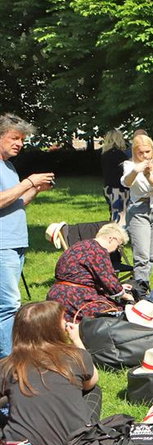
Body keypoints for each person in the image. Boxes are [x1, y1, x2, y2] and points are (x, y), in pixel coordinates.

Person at [0, 302, 101, 445]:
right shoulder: (74, 355)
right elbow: (92, 381)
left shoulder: (7, 366)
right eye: (62, 320)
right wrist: (77, 340)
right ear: (53, 328)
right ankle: (84, 427)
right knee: (93, 390)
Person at [0, 114, 56, 358]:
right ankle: (9, 361)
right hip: (2, 246)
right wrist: (28, 181)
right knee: (9, 306)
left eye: (22, 139)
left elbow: (15, 203)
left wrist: (35, 189)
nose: (19, 144)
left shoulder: (8, 166)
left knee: (10, 303)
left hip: (16, 242)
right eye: (14, 138)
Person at [46, 223, 135, 321]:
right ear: (111, 238)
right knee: (117, 312)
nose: (116, 250)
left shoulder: (80, 245)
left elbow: (89, 277)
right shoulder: (98, 251)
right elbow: (109, 281)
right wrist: (126, 296)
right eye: (118, 245)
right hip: (75, 298)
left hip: (56, 295)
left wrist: (119, 287)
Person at [122, 134, 153, 286]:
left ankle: (141, 286)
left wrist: (148, 174)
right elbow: (126, 183)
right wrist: (136, 171)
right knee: (142, 255)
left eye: (147, 152)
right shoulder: (130, 165)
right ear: (135, 152)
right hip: (138, 209)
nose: (145, 156)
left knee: (151, 256)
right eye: (140, 153)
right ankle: (141, 291)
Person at [100, 129, 129, 223]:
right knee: (120, 215)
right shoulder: (120, 155)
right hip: (119, 188)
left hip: (108, 187)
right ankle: (116, 234)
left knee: (113, 212)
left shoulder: (104, 154)